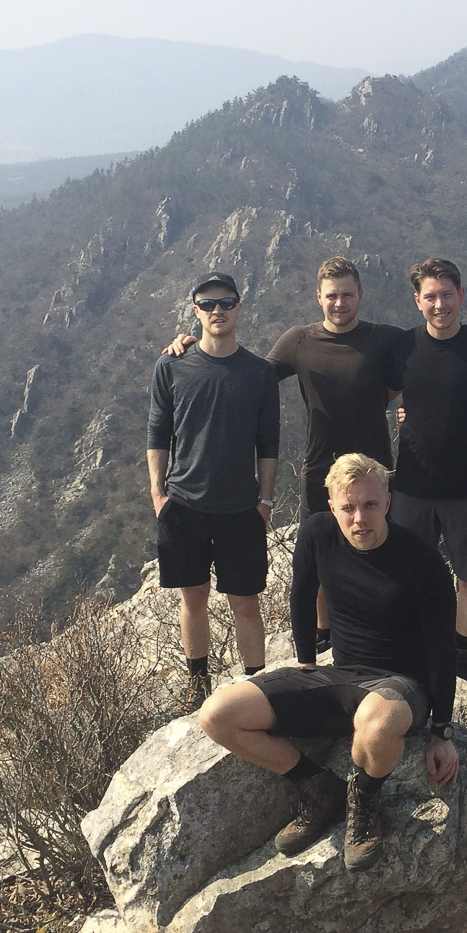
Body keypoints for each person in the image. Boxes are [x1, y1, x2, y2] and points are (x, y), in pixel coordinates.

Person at [163, 255, 467, 656]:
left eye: (347, 295)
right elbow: (250, 375)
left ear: (361, 296)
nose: (340, 303)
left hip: (376, 472)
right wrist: (196, 345)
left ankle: (389, 635)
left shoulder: (386, 339)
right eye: (332, 295)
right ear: (318, 297)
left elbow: (433, 344)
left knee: (382, 557)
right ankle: (324, 636)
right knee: (321, 558)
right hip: (320, 471)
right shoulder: (298, 340)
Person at [198, 453, 458, 872]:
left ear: (388, 502)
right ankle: (319, 788)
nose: (360, 518)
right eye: (348, 507)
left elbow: (444, 649)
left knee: (376, 726)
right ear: (332, 506)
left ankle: (364, 798)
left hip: (400, 683)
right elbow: (302, 595)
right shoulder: (318, 533)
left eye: (370, 505)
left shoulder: (422, 561)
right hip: (338, 673)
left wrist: (442, 731)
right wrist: (305, 662)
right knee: (217, 715)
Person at [147, 272, 280, 712]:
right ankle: (197, 685)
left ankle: (257, 688)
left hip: (241, 508)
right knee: (193, 598)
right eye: (207, 304)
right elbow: (157, 433)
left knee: (246, 602)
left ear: (239, 307)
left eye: (226, 302)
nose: (217, 310)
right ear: (195, 311)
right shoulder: (171, 365)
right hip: (183, 504)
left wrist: (265, 501)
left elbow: (269, 442)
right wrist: (158, 496)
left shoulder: (260, 373)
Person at [387, 259, 467, 682]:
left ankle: (461, 658)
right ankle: (411, 649)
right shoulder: (403, 348)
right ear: (417, 301)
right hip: (411, 485)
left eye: (447, 295)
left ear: (461, 295)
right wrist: (402, 415)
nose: (440, 304)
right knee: (406, 574)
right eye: (430, 297)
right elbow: (380, 394)